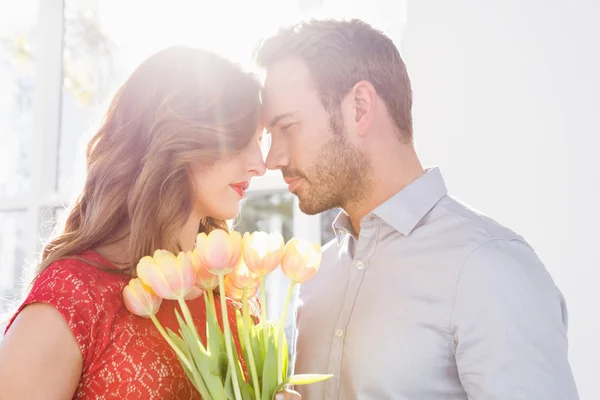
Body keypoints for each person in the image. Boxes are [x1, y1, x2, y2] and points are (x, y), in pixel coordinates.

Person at [257, 19, 579, 399]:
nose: (271, 159)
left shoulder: (487, 268)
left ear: (360, 107)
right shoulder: (318, 276)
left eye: (288, 127)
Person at [0, 46, 299, 400]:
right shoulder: (75, 296)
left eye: (259, 142)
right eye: (240, 141)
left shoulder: (234, 295)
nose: (259, 165)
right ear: (174, 141)